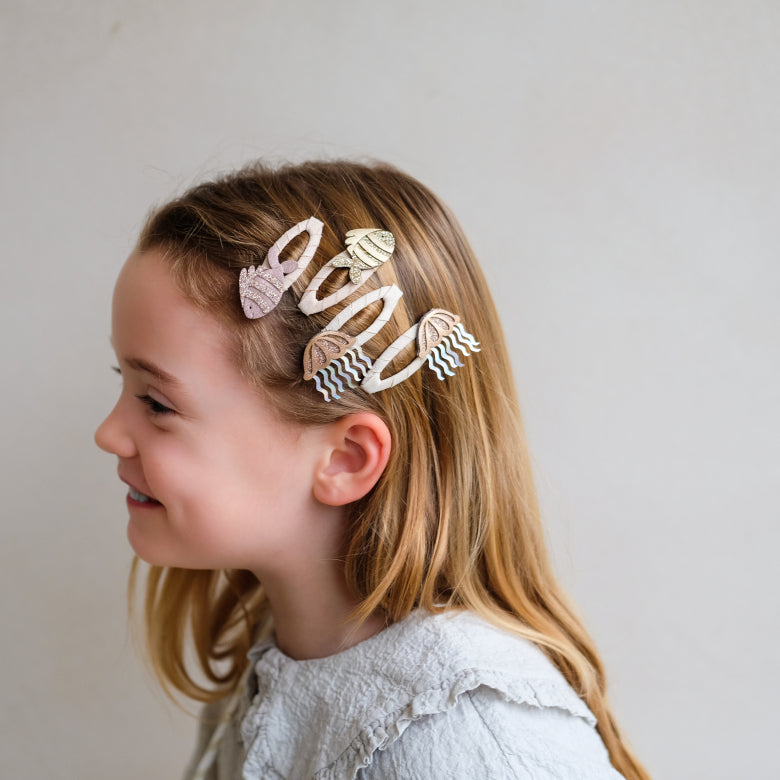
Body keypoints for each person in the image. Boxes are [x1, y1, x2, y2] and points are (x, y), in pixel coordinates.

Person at [95, 160, 649, 779]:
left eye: (157, 403)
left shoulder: (474, 741)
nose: (108, 433)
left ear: (345, 459)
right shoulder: (265, 672)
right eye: (124, 383)